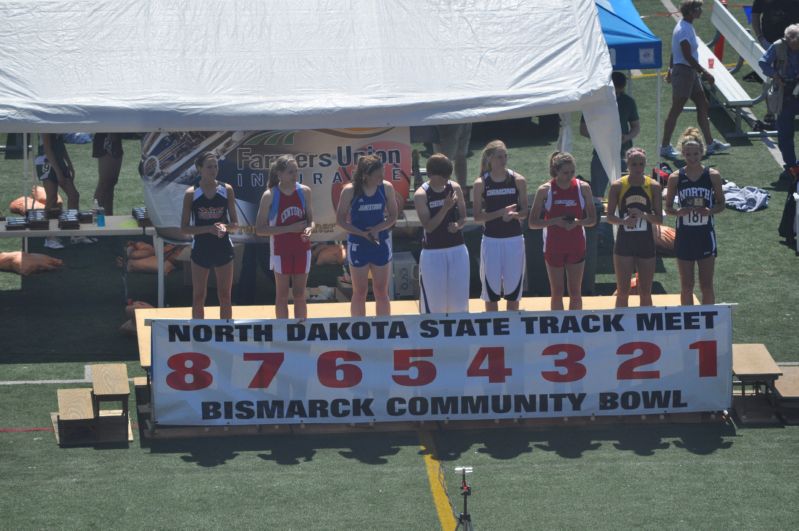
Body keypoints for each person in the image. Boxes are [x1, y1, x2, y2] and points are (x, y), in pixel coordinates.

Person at [660, 0, 731, 159]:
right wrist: (705, 73)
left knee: (703, 104)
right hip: (685, 72)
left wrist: (670, 70)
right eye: (698, 8)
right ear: (691, 11)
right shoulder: (684, 29)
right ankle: (664, 147)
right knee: (676, 109)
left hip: (688, 72)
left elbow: (674, 51)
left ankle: (710, 144)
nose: (701, 10)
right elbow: (686, 55)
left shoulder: (687, 26)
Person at [664, 127, 725, 305]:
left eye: (696, 153)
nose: (692, 158)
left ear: (702, 153)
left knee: (706, 285)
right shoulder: (675, 177)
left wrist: (709, 211)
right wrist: (678, 211)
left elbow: (721, 204)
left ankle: (709, 324)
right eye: (688, 154)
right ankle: (689, 326)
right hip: (684, 235)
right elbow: (667, 208)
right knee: (686, 285)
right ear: (683, 154)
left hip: (705, 234)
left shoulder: (712, 175)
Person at [528, 152, 596, 310]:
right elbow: (532, 223)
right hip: (554, 246)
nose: (570, 176)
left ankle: (576, 331)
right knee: (557, 292)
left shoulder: (583, 187)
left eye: (572, 172)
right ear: (556, 171)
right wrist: (555, 221)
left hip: (576, 244)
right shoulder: (545, 190)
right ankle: (558, 332)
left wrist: (577, 223)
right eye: (566, 173)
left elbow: (592, 220)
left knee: (575, 292)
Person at [335, 154, 398, 317]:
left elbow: (393, 217)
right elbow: (340, 220)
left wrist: (377, 229)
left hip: (380, 243)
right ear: (365, 175)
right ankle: (359, 330)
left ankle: (383, 329)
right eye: (377, 175)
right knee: (360, 292)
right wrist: (361, 233)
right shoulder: (349, 190)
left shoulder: (387, 187)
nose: (381, 177)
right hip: (358, 244)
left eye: (382, 173)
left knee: (381, 291)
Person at [255, 155, 315, 319]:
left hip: (302, 249)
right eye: (290, 172)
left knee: (299, 294)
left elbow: (311, 221)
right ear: (279, 174)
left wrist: (309, 229)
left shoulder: (305, 191)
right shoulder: (270, 195)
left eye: (296, 171)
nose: (295, 175)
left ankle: (301, 330)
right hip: (281, 250)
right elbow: (260, 230)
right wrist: (290, 228)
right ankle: (283, 334)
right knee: (282, 295)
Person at [180, 152, 238, 319]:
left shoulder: (226, 190)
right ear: (199, 169)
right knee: (198, 296)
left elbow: (235, 225)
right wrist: (208, 229)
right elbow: (184, 228)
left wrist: (224, 227)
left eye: (216, 166)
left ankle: (225, 334)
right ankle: (199, 335)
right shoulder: (191, 193)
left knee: (225, 296)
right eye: (209, 167)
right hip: (201, 248)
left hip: (223, 247)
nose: (213, 170)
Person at [473, 140, 527, 312]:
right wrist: (501, 213)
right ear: (490, 159)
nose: (503, 160)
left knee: (513, 291)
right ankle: (493, 331)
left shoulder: (518, 180)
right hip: (491, 241)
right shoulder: (481, 183)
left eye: (505, 156)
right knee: (491, 292)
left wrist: (514, 215)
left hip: (514, 240)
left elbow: (525, 211)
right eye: (499, 157)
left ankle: (512, 331)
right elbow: (477, 217)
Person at [606, 147, 663, 307]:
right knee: (622, 292)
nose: (638, 168)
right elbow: (609, 217)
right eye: (634, 164)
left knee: (645, 292)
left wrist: (643, 215)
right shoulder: (618, 186)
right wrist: (624, 222)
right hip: (624, 244)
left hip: (646, 244)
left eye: (641, 164)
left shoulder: (654, 186)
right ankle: (620, 330)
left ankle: (647, 330)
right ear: (627, 165)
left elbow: (659, 219)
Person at [413, 153, 469, 314]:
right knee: (434, 302)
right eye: (443, 176)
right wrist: (445, 208)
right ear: (431, 175)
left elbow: (464, 217)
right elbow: (428, 227)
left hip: (457, 249)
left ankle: (459, 335)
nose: (446, 180)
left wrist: (458, 225)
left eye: (448, 176)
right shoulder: (421, 195)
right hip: (433, 252)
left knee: (458, 302)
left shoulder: (454, 187)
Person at [579, 71, 640, 200]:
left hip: (624, 153)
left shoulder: (628, 102)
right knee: (597, 193)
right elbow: (583, 129)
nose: (617, 95)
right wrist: (601, 137)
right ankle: (597, 215)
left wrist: (627, 137)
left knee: (624, 190)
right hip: (601, 152)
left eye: (619, 92)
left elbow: (636, 127)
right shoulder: (595, 102)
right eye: (615, 92)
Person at [759, 24, 799, 180]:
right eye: (794, 45)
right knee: (784, 133)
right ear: (787, 39)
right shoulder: (777, 46)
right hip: (784, 93)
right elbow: (763, 63)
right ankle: (791, 167)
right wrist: (775, 75)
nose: (796, 48)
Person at [40, 133, 91, 249]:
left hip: (58, 159)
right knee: (52, 197)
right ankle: (49, 237)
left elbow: (60, 144)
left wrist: (69, 164)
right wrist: (58, 172)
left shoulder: (58, 120)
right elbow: (47, 149)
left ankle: (73, 232)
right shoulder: (45, 122)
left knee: (74, 195)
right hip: (46, 161)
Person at [752, 1, 799, 126]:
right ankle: (771, 112)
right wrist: (760, 37)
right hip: (771, 42)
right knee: (771, 80)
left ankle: (781, 111)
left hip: (794, 42)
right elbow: (755, 14)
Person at [92, 133, 123, 215]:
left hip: (115, 136)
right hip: (105, 137)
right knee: (104, 183)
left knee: (111, 183)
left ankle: (109, 218)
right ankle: (96, 218)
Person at [435, 123, 472, 188]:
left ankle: (446, 191)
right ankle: (460, 190)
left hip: (450, 119)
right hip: (464, 117)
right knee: (459, 157)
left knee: (443, 160)